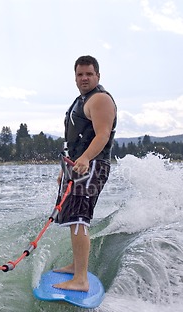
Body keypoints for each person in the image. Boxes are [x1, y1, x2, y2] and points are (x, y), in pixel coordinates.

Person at [53, 55, 117, 292]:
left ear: (98, 76)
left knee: (80, 218)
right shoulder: (81, 100)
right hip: (77, 167)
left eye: (89, 74)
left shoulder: (100, 99)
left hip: (92, 166)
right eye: (80, 74)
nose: (84, 78)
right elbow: (74, 140)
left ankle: (81, 279)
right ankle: (76, 267)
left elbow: (103, 135)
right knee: (72, 218)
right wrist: (65, 170)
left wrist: (86, 158)